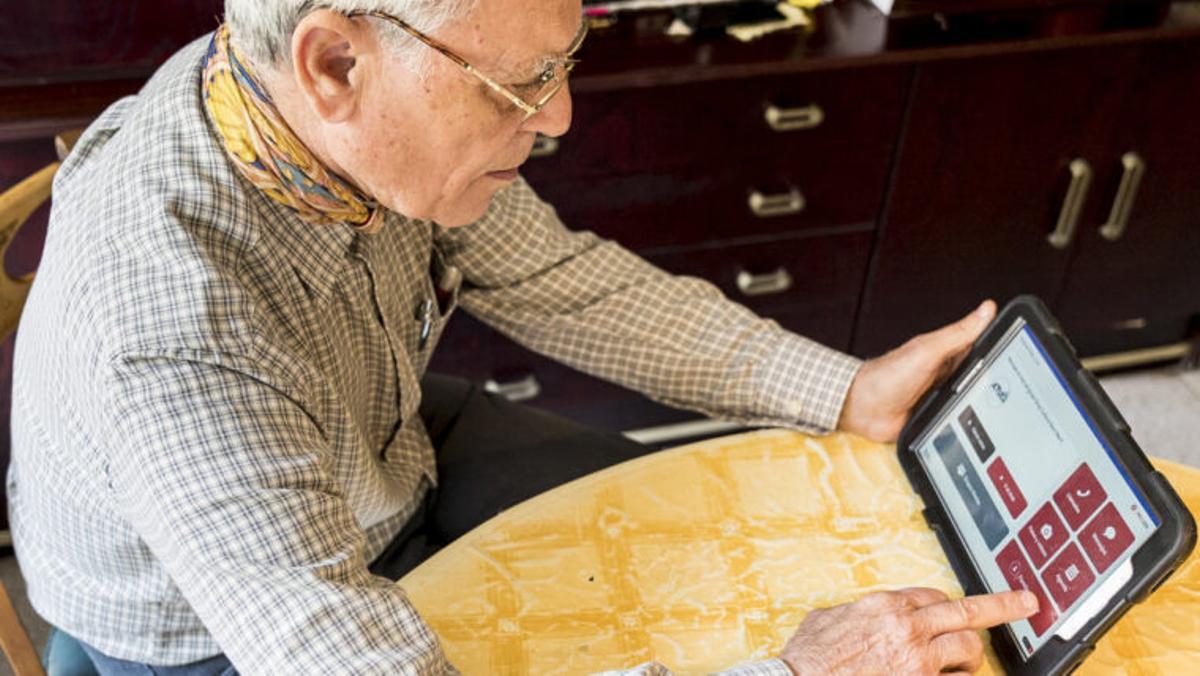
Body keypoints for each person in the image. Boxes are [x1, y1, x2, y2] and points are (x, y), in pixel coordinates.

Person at [9, 0, 1036, 673]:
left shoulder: (306, 105)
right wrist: (796, 670)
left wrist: (847, 389)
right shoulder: (178, 327)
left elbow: (563, 283)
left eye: (566, 58)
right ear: (335, 64)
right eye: (519, 86)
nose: (562, 118)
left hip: (386, 446)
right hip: (199, 634)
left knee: (714, 543)